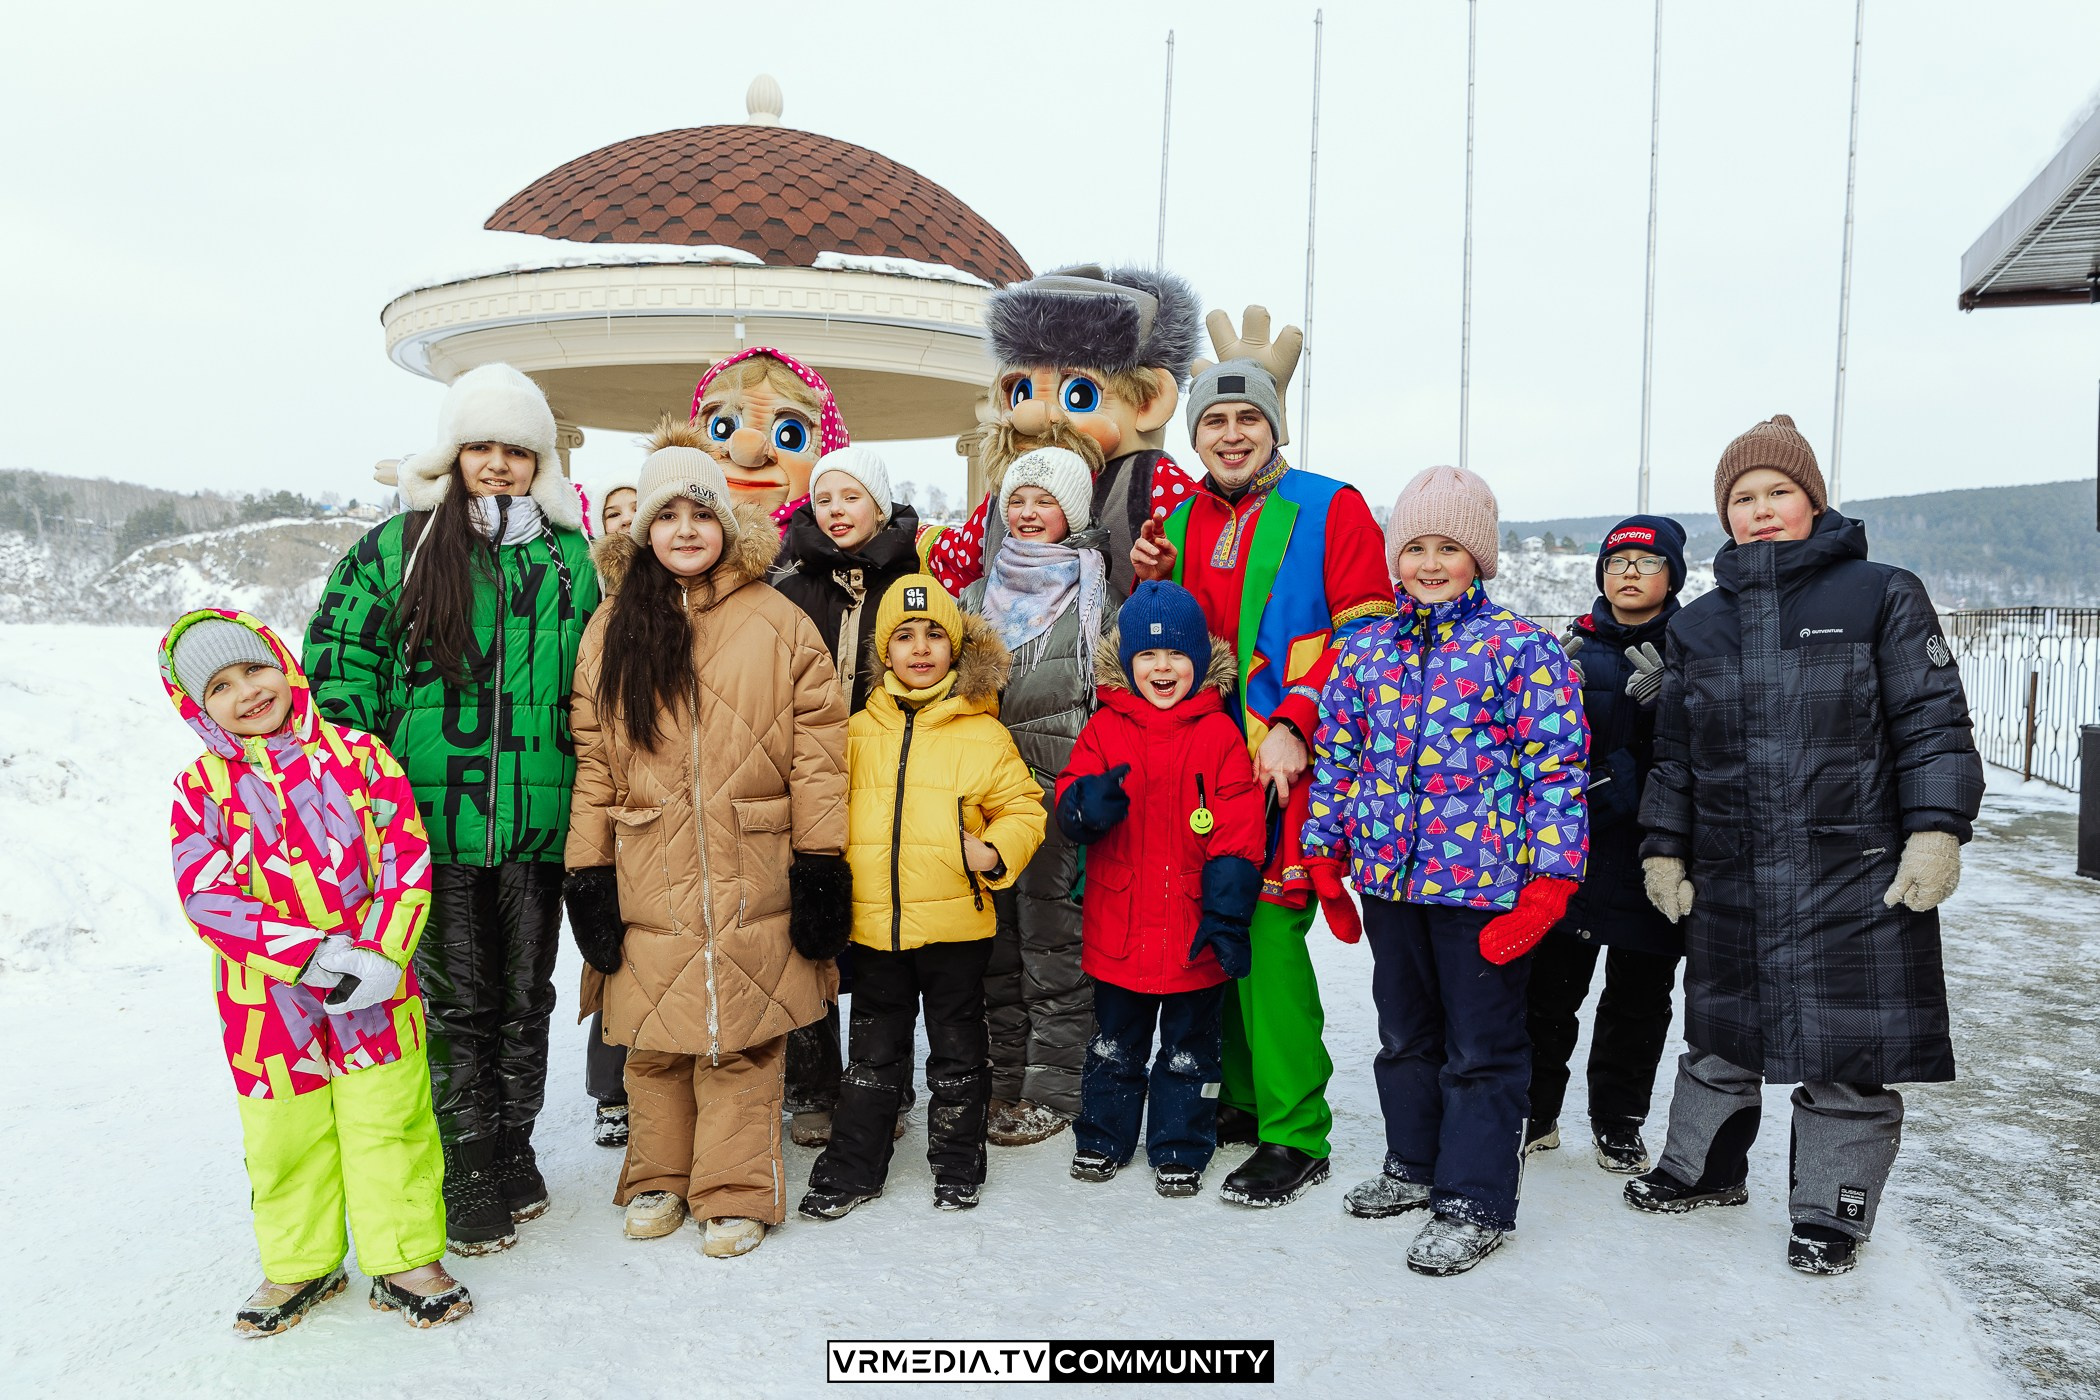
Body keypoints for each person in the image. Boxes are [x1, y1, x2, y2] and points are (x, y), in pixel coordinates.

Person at [1627, 414, 1983, 1276]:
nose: (1760, 510)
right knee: (1722, 1033)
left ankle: (1831, 1212)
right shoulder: (1698, 625)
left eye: (1778, 492)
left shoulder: (1882, 594)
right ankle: (1703, 1169)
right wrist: (1664, 848)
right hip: (1734, 867)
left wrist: (1935, 831)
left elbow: (1932, 725)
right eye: (1742, 498)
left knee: (1849, 1051)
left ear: (1813, 501)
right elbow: (1675, 757)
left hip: (1856, 870)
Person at [304, 363, 599, 1255]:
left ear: (540, 461)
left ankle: (514, 1143)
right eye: (483, 446)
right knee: (458, 1000)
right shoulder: (395, 548)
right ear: (454, 452)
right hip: (427, 822)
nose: (500, 464)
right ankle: (466, 1159)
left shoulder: (569, 558)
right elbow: (339, 666)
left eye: (518, 450)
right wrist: (370, 785)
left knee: (527, 995)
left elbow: (599, 680)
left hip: (539, 820)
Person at [562, 428, 851, 1259]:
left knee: (742, 1037)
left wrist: (821, 863)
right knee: (653, 1031)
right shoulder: (610, 628)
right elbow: (594, 761)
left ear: (726, 522)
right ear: (643, 531)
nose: (685, 529)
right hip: (646, 860)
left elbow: (820, 753)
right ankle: (658, 1177)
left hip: (752, 858)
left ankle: (734, 1189)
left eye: (700, 513)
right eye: (666, 515)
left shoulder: (778, 620)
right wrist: (587, 872)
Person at [1305, 465, 1590, 1276]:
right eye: (1415, 548)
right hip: (1390, 882)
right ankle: (1415, 1162)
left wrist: (1550, 881)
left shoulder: (1521, 649)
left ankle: (1473, 1200)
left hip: (1483, 889)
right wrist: (1324, 853)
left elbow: (1556, 769)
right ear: (1395, 558)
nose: (1430, 564)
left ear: (1479, 558)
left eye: (1448, 548)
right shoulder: (1362, 653)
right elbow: (1339, 761)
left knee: (1482, 1047)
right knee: (1405, 1035)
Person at [1130, 341, 1396, 1207]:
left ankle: (1296, 1131)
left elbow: (1366, 635)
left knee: (1273, 934)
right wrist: (1149, 583)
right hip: (1205, 765)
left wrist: (1295, 723)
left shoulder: (1330, 506)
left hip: (1291, 764)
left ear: (1275, 426)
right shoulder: (1179, 521)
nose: (1233, 433)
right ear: (1195, 434)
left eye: (1249, 417)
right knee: (1221, 922)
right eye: (1215, 419)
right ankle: (1242, 1099)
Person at [162, 609, 470, 1334]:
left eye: (254, 668)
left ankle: (404, 1257)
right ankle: (300, 1261)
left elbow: (405, 858)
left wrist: (383, 952)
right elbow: (206, 895)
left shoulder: (361, 756)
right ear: (196, 707)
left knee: (389, 1119)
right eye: (220, 686)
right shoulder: (200, 788)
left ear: (283, 662)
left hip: (374, 985)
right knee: (284, 1133)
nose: (247, 691)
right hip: (264, 1002)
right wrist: (306, 955)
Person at [800, 577, 1047, 1218]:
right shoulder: (855, 731)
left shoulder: (984, 734)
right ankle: (854, 1166)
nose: (919, 648)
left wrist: (993, 851)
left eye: (934, 635)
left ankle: (958, 1161)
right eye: (904, 636)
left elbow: (1023, 807)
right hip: (875, 928)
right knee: (872, 1055)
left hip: (956, 929)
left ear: (954, 648)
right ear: (884, 651)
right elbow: (823, 810)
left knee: (958, 1050)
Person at [1056, 582, 1264, 1196]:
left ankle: (1181, 1144)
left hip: (1193, 928)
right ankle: (1102, 1136)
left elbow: (1238, 831)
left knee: (1190, 1051)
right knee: (1113, 1044)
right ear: (1127, 662)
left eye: (1175, 654)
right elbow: (1069, 798)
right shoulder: (1105, 728)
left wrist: (1227, 916)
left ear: (1198, 658)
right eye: (1147, 655)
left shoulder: (1219, 734)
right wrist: (1086, 806)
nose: (1162, 668)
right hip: (1120, 926)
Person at [961, 447, 1123, 1146]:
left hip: (1059, 796)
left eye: (1044, 501)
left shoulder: (1096, 599)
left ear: (1073, 512)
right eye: (1017, 501)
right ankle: (1003, 1079)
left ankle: (1054, 1088)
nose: (1028, 513)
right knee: (993, 947)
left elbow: (1114, 700)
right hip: (987, 798)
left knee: (1055, 945)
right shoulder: (974, 600)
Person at [770, 445, 927, 1147]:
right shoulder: (788, 583)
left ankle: (880, 1081)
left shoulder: (911, 581)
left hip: (887, 775)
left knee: (883, 937)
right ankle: (811, 1085)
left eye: (851, 496)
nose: (836, 510)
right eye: (824, 498)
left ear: (880, 505)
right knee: (807, 927)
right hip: (803, 776)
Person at [1523, 515, 1689, 1175]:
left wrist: (1673, 702)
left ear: (1672, 575)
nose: (1629, 573)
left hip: (1655, 854)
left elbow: (1713, 746)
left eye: (1647, 562)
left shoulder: (1697, 649)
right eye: (1617, 562)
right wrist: (1542, 692)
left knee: (1638, 1002)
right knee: (1547, 993)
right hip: (1576, 852)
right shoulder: (1567, 646)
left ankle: (1618, 1122)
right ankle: (1534, 1113)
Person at [579, 465, 640, 1150]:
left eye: (635, 508)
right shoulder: (588, 608)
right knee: (612, 948)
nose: (625, 522)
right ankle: (611, 1087)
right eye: (612, 513)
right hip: (610, 800)